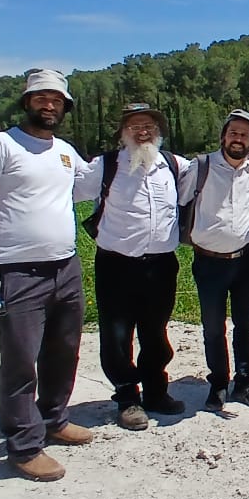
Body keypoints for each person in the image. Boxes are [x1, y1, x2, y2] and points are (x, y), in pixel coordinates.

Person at [0, 68, 94, 481]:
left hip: (65, 266)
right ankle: (24, 445)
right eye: (41, 98)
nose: (49, 105)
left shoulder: (65, 152)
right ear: (27, 102)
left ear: (65, 107)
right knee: (20, 360)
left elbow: (93, 183)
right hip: (16, 271)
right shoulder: (0, 145)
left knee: (64, 350)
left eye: (56, 100)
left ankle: (53, 418)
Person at [73, 103, 189, 431]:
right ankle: (127, 398)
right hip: (116, 266)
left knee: (156, 332)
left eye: (149, 125)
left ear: (158, 131)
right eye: (135, 126)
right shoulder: (104, 166)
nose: (143, 132)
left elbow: (215, 174)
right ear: (123, 133)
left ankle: (155, 392)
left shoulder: (174, 165)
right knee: (117, 334)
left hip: (161, 266)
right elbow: (63, 188)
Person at [184, 108, 249, 411]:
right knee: (213, 326)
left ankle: (244, 382)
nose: (238, 139)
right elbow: (179, 198)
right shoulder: (201, 167)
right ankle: (218, 383)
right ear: (223, 137)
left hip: (244, 260)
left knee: (246, 325)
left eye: (244, 135)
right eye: (233, 133)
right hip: (208, 262)